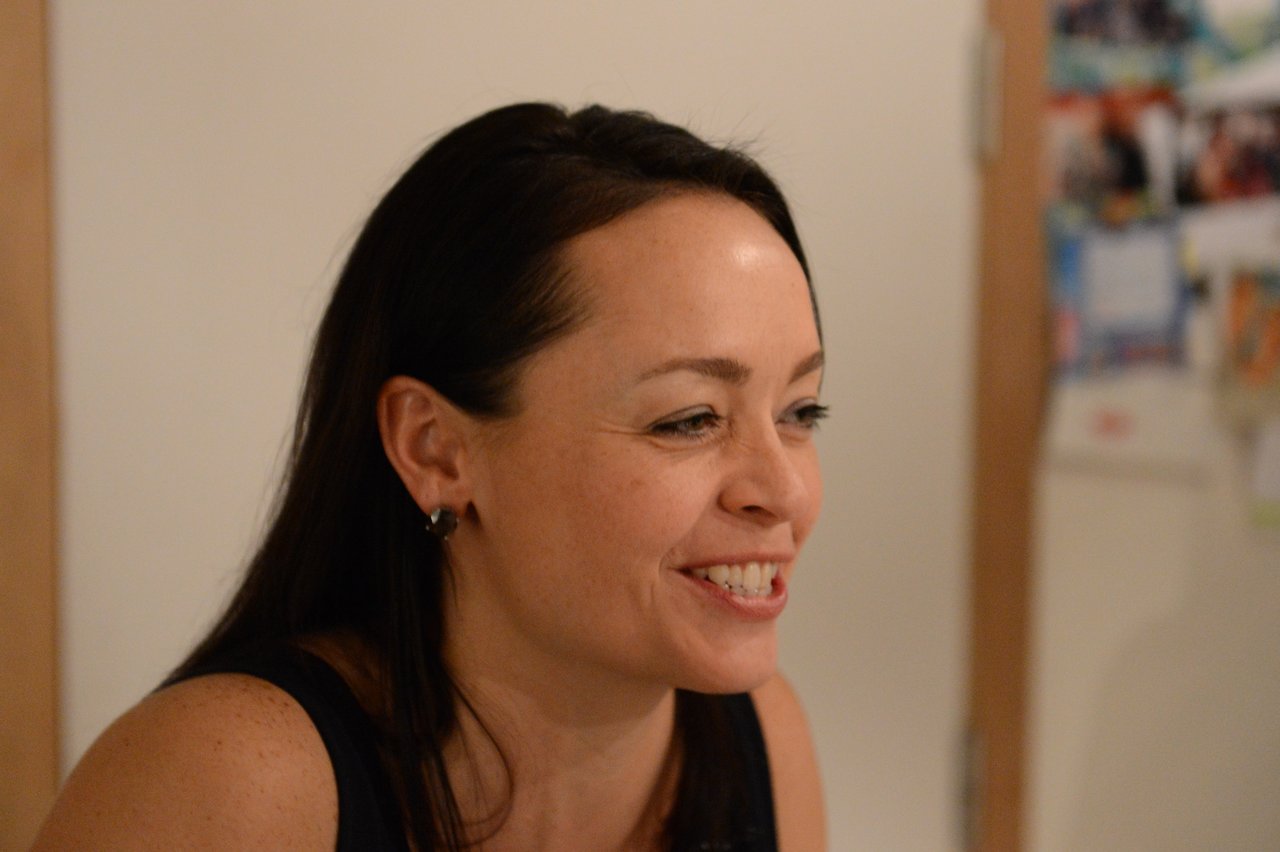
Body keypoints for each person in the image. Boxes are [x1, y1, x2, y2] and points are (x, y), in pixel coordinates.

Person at [33, 102, 827, 851]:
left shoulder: (762, 735)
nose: (784, 491)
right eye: (689, 420)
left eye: (800, 413)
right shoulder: (232, 784)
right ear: (436, 450)